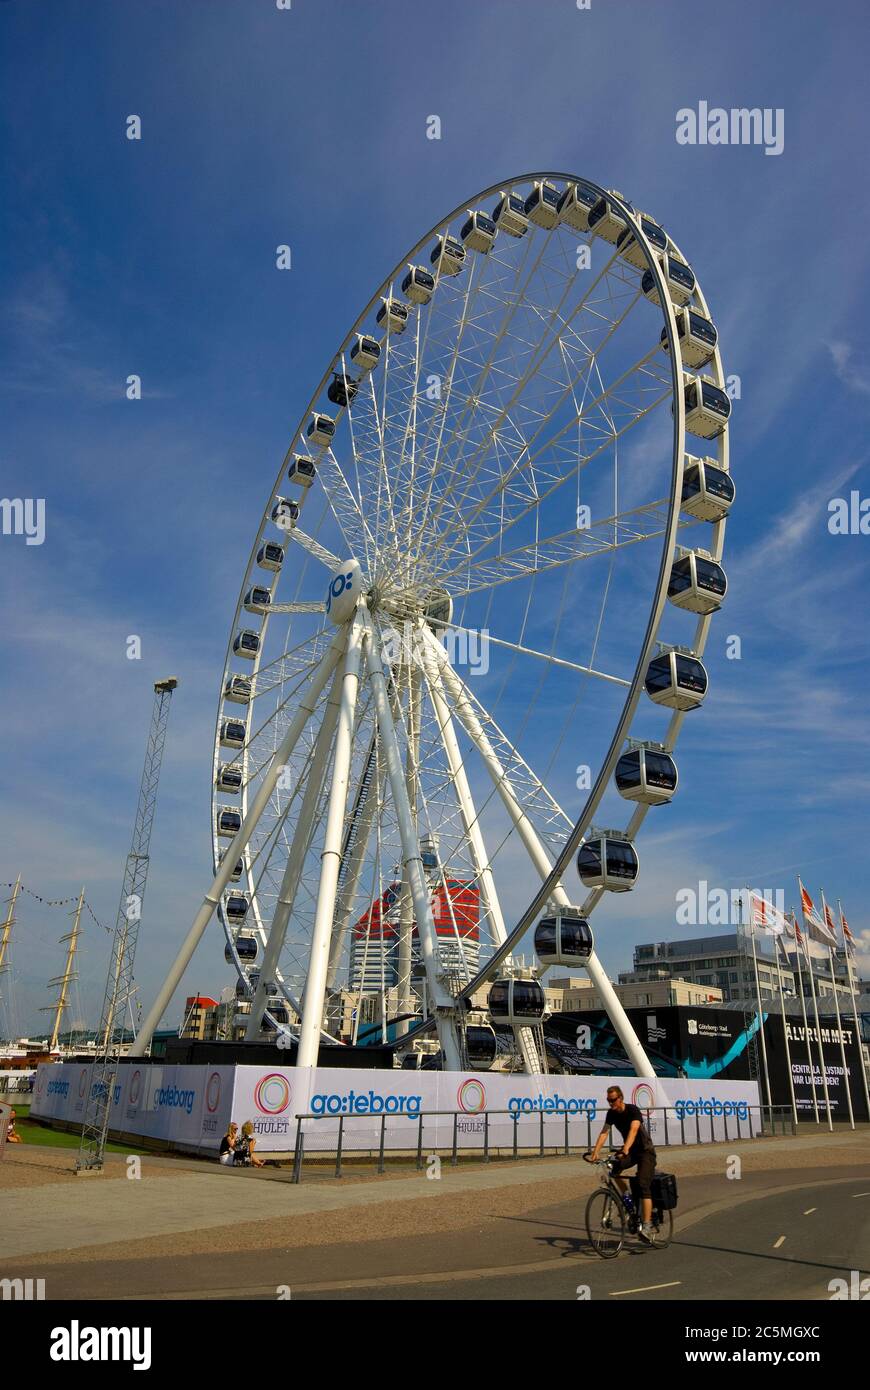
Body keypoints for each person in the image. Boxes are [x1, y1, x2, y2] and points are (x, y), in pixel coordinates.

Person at [585, 1086, 657, 1244]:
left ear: (621, 1098)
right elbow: (604, 1132)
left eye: (613, 1100)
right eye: (608, 1101)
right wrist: (595, 1152)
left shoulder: (632, 1110)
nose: (611, 1104)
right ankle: (627, 1197)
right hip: (630, 1152)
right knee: (614, 1169)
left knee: (643, 1184)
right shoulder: (611, 1114)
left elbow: (633, 1130)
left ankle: (646, 1226)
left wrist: (625, 1148)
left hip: (645, 1151)